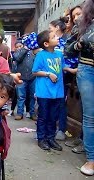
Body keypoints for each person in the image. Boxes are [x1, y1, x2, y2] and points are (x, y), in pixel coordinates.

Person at [65, 0, 94, 175]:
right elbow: (67, 50)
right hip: (87, 69)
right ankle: (91, 159)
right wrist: (78, 45)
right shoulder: (83, 22)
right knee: (90, 116)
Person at [32, 30, 74, 151]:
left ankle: (51, 138)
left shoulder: (59, 54)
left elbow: (63, 67)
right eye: (53, 37)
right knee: (43, 116)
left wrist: (72, 70)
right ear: (46, 43)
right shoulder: (41, 55)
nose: (57, 38)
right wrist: (48, 74)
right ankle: (41, 139)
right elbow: (34, 71)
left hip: (58, 92)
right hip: (44, 92)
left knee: (53, 117)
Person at [13, 32, 40, 121]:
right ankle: (20, 113)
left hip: (33, 77)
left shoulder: (34, 50)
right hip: (22, 78)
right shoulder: (20, 51)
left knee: (33, 96)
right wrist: (24, 48)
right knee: (21, 97)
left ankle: (32, 113)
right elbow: (17, 57)